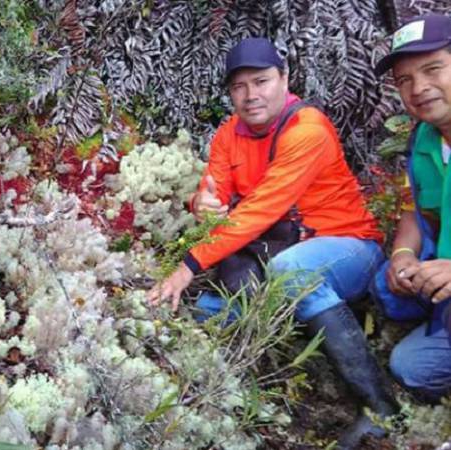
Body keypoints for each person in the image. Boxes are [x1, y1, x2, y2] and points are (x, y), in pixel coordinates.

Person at [146, 37, 396, 448]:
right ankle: (296, 333)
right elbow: (216, 191)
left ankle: (379, 406)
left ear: (284, 78)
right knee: (213, 301)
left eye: (261, 81)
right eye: (239, 87)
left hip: (349, 248)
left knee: (287, 271)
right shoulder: (229, 133)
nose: (250, 95)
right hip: (280, 247)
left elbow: (259, 211)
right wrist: (201, 203)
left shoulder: (308, 129)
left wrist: (188, 265)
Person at [370, 13, 451, 403]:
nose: (419, 88)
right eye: (404, 80)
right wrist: (403, 254)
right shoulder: (424, 139)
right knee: (387, 290)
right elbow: (414, 211)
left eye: (433, 69)